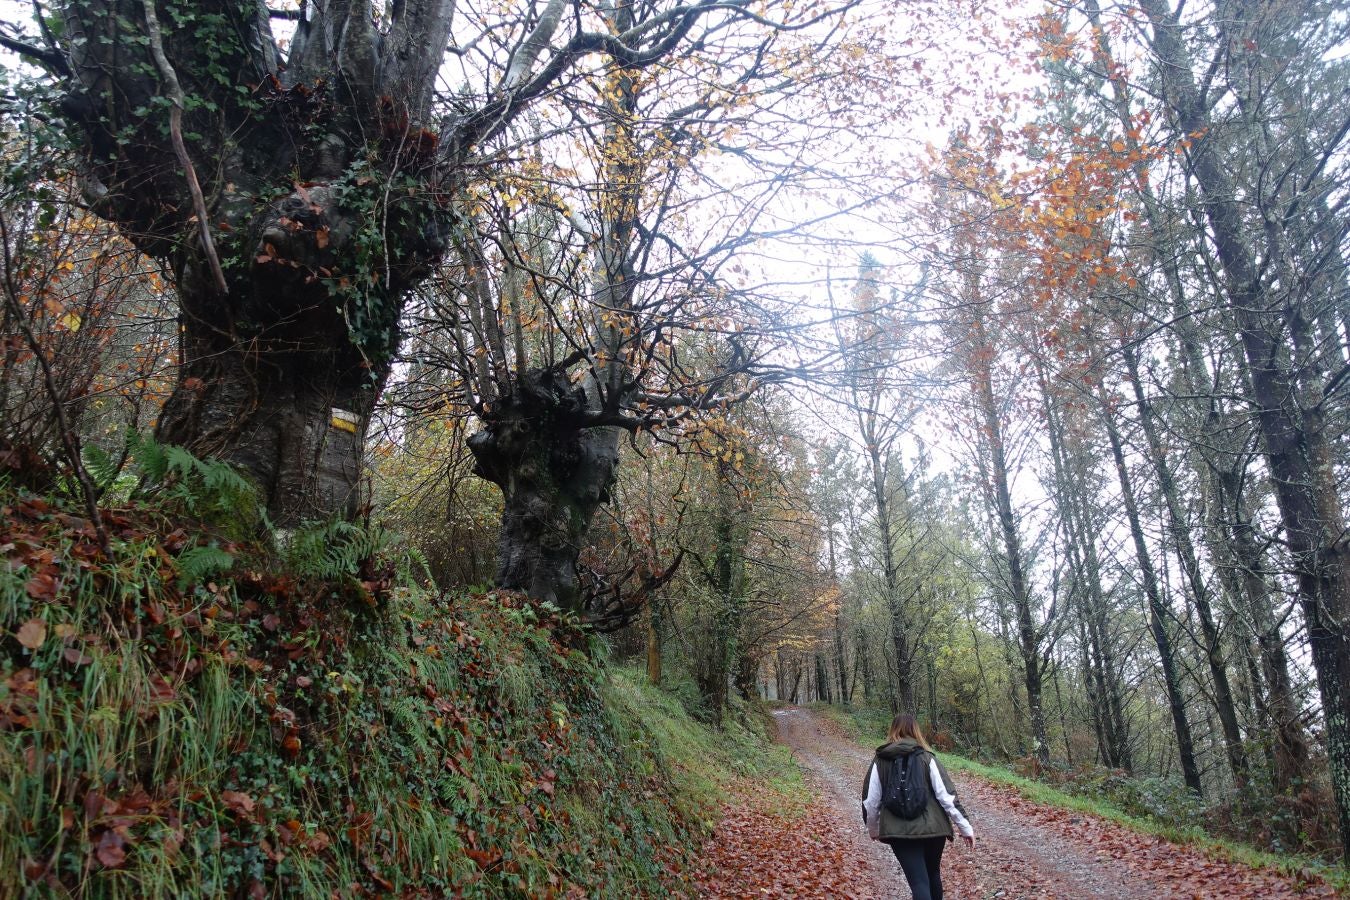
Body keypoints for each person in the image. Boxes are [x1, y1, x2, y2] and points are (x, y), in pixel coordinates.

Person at [861, 714, 974, 900]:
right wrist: (965, 827)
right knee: (933, 875)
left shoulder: (880, 760)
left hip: (899, 832)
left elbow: (871, 801)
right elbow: (946, 795)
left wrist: (873, 829)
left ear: (893, 730)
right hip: (933, 829)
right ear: (916, 731)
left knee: (918, 882)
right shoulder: (927, 758)